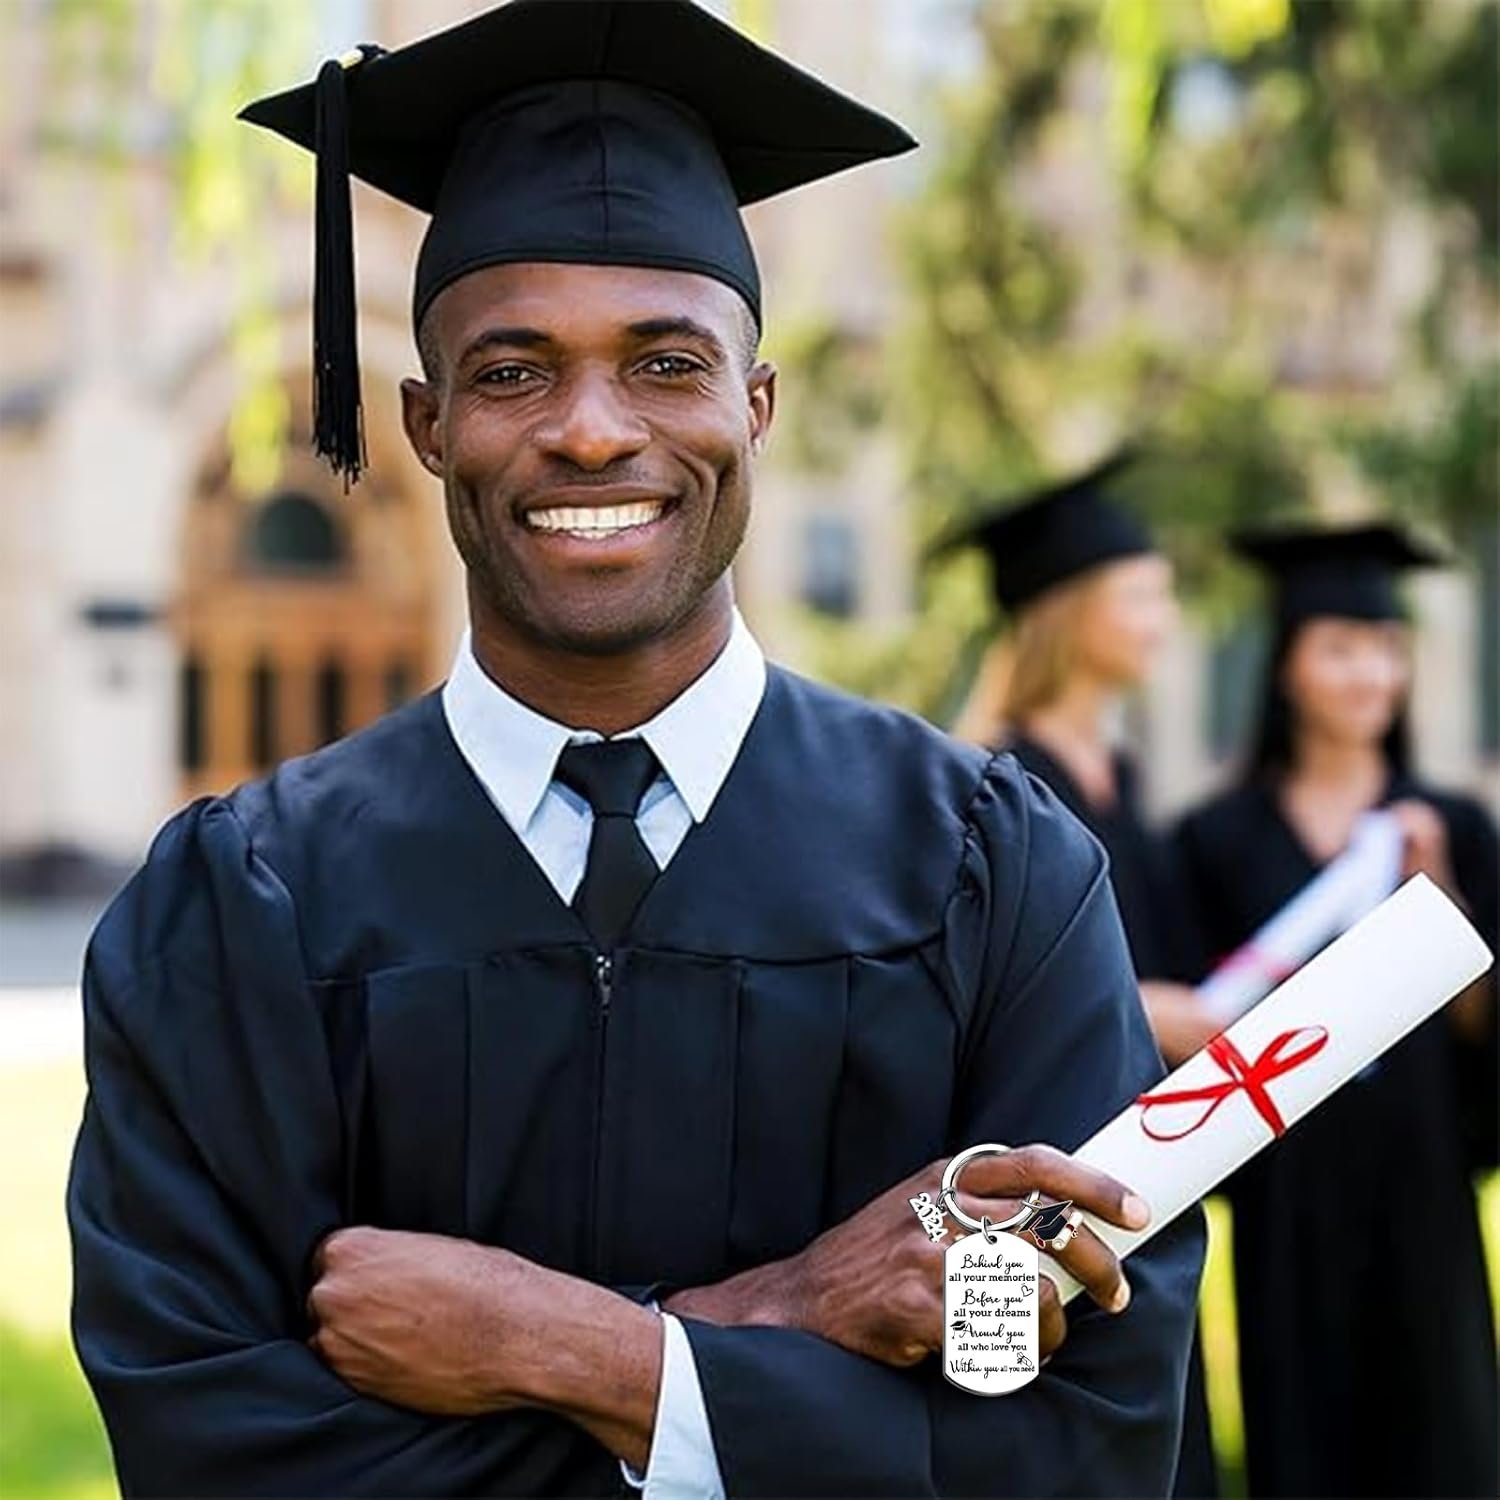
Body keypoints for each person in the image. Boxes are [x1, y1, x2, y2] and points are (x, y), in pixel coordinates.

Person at [66, 3, 1206, 1495]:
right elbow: (215, 1453)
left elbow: (1069, 1437)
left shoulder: (992, 873)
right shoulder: (242, 907)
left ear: (758, 404)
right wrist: (778, 1326)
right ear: (423, 422)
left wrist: (584, 1355)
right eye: (513, 370)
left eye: (667, 364)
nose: (593, 431)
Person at [1176, 522, 1499, 1500]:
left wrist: (1438, 898)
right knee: (1302, 1448)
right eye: (1343, 648)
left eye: (1387, 649)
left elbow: (1484, 1031)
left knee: (1444, 1444)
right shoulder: (1215, 839)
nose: (1371, 674)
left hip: (1423, 1191)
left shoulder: (1448, 824)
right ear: (1287, 666)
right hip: (1291, 1199)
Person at [943, 451, 1220, 1499]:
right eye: (1140, 593)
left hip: (1147, 1179)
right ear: (1069, 608)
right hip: (1038, 1180)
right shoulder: (995, 787)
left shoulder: (1126, 775)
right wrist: (1149, 1010)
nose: (1163, 616)